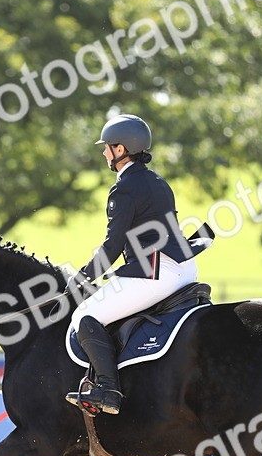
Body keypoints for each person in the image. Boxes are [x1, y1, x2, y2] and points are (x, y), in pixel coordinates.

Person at [65, 114, 207, 415]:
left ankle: (108, 391)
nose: (104, 153)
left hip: (155, 272)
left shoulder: (125, 188)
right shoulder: (157, 180)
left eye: (107, 147)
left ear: (121, 150)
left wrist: (80, 278)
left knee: (85, 317)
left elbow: (113, 245)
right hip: (183, 269)